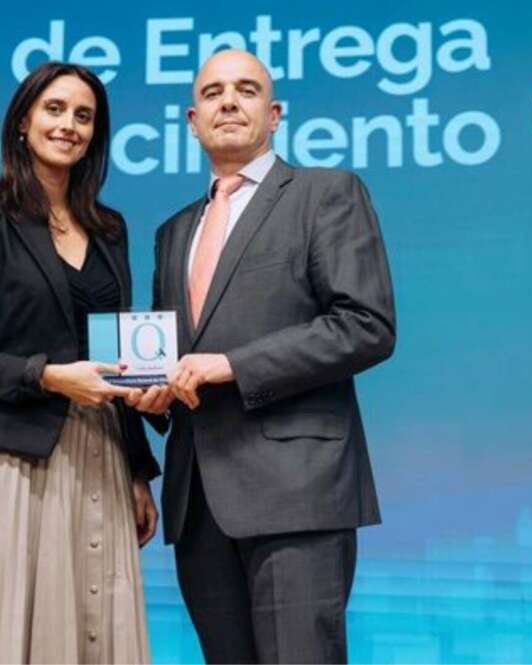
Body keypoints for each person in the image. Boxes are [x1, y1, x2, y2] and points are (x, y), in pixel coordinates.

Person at [131, 50, 396, 663]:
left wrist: (231, 365)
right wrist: (150, 395)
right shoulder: (173, 232)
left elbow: (366, 325)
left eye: (246, 90)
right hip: (199, 504)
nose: (229, 101)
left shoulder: (326, 193)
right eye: (215, 92)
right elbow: (171, 355)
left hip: (297, 492)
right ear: (192, 120)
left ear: (273, 114)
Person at [0, 62, 160, 664]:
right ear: (23, 120)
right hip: (10, 459)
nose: (69, 125)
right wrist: (47, 377)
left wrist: (137, 469)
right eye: (54, 109)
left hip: (99, 455)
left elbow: (116, 358)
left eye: (84, 116)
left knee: (94, 630)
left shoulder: (111, 229)